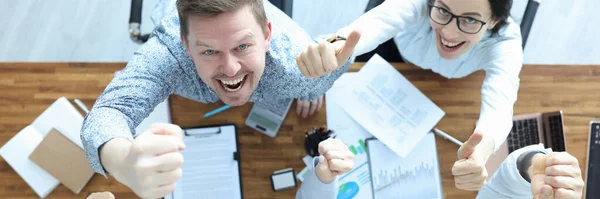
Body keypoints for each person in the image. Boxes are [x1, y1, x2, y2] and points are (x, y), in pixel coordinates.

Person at [80, 0, 356, 198]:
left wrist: (313, 85)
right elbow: (110, 111)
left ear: (267, 35)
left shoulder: (292, 66)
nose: (231, 69)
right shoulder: (168, 55)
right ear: (185, 45)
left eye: (243, 46)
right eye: (209, 51)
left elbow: (343, 52)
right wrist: (123, 161)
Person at [296, 0, 522, 191]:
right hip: (395, 53)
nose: (449, 33)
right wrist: (330, 51)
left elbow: (500, 104)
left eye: (470, 20)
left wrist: (482, 151)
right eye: (443, 10)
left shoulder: (506, 42)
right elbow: (376, 22)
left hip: (449, 83)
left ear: (494, 21)